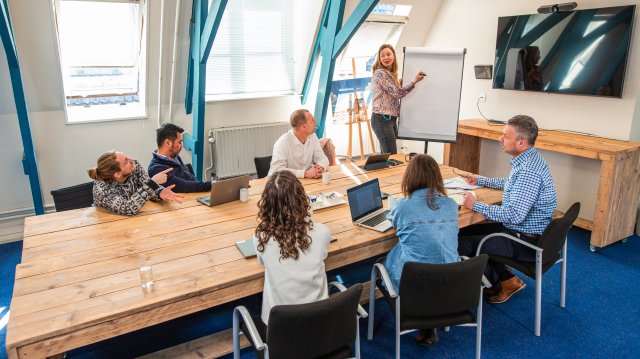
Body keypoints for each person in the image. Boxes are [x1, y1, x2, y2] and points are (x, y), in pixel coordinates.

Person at [458, 115, 557, 304]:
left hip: (523, 241)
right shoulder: (530, 159)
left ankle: (495, 282)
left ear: (521, 142)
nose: (500, 139)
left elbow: (514, 215)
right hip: (522, 232)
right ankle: (506, 279)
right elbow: (511, 184)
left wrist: (475, 205)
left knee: (461, 244)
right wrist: (481, 180)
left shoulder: (528, 171)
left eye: (505, 136)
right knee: (466, 230)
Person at [384, 154, 459, 346]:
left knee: (385, 261)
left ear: (410, 178)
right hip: (452, 286)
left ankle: (421, 318)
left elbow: (395, 223)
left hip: (413, 289)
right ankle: (430, 322)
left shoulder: (403, 208)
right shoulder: (451, 205)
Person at [253, 170, 332, 324]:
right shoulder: (322, 232)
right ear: (302, 200)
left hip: (280, 331)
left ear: (266, 206)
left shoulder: (261, 238)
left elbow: (262, 262)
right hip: (321, 327)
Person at [88, 151, 183, 216]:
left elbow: (146, 187)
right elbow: (128, 208)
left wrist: (160, 193)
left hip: (133, 220)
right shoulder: (102, 188)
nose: (132, 159)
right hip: (107, 223)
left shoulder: (134, 166)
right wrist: (153, 183)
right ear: (117, 174)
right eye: (126, 161)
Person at [371, 44, 426, 154]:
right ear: (379, 59)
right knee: (391, 155)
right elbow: (396, 94)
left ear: (394, 56)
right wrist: (414, 81)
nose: (386, 58)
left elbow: (392, 94)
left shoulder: (391, 74)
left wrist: (398, 84)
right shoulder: (381, 73)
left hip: (389, 119)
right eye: (382, 56)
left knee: (387, 156)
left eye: (388, 54)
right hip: (382, 119)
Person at [148, 123, 211, 193]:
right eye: (179, 142)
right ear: (168, 143)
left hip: (193, 194)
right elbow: (183, 186)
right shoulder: (156, 168)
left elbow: (188, 176)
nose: (181, 146)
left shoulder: (174, 156)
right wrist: (210, 185)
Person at [268, 109, 329, 178]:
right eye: (312, 120)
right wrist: (305, 174)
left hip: (306, 182)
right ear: (303, 126)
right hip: (285, 184)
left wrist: (321, 168)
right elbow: (276, 171)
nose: (315, 122)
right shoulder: (282, 143)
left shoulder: (312, 136)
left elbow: (322, 158)